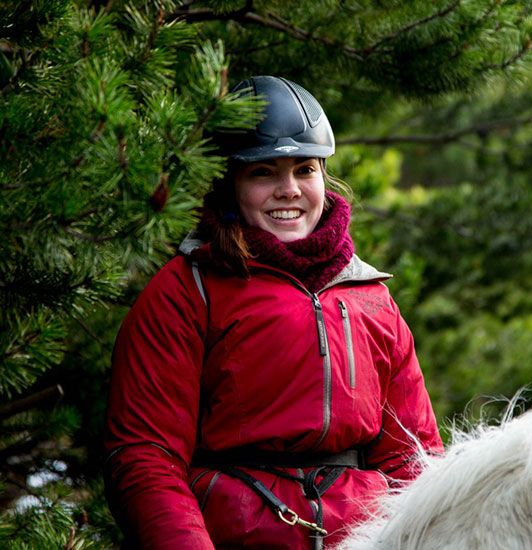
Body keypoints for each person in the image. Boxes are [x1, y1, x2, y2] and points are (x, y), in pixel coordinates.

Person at [103, 75, 444, 549]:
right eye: (264, 172)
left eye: (305, 169)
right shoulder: (185, 291)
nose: (289, 189)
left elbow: (414, 461)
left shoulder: (371, 298)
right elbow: (147, 456)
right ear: (230, 185)